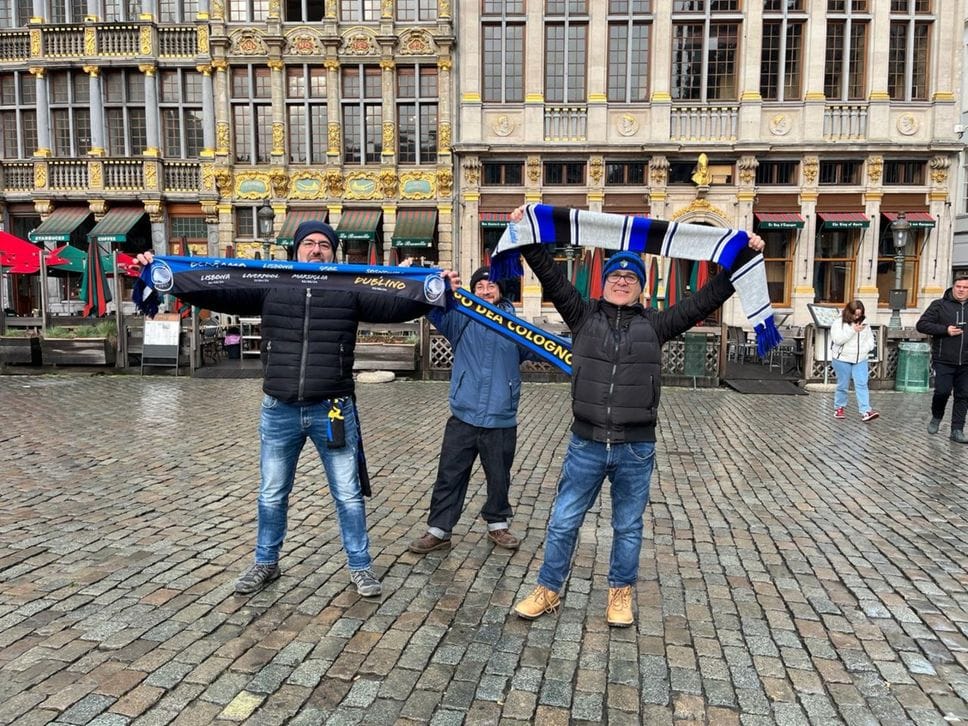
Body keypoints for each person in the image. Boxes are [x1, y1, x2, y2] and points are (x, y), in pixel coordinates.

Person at [137, 220, 460, 597]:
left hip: (332, 407)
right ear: (296, 249)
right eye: (309, 243)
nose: (316, 249)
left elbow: (393, 304)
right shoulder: (271, 282)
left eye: (324, 244)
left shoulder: (348, 286)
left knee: (348, 495)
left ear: (333, 252)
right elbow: (218, 290)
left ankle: (360, 567)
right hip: (280, 409)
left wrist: (433, 289)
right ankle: (266, 562)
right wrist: (166, 275)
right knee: (272, 493)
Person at [507, 207, 765, 627]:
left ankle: (620, 594)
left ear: (641, 289)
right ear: (603, 283)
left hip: (635, 448)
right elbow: (547, 271)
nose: (622, 281)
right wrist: (525, 227)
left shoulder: (657, 325)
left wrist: (744, 255)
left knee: (627, 527)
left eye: (631, 277)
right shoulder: (582, 315)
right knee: (563, 521)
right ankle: (548, 589)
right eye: (615, 276)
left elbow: (709, 296)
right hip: (586, 443)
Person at [409, 266, 539, 555]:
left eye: (491, 285)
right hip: (464, 414)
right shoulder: (460, 319)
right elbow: (430, 304)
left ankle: (498, 524)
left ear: (501, 291)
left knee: (499, 476)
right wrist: (428, 281)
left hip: (501, 416)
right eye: (479, 286)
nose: (485, 290)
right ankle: (439, 529)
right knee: (450, 474)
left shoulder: (517, 327)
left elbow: (546, 350)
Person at [916, 274, 968, 443]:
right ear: (953, 287)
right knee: (942, 391)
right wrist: (945, 330)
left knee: (963, 395)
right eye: (958, 286)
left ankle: (957, 430)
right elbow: (921, 325)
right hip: (944, 358)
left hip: (966, 361)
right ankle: (937, 416)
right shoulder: (939, 305)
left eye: (965, 287)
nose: (961, 290)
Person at [829, 300, 878, 422]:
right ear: (849, 312)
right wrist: (853, 330)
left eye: (859, 314)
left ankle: (866, 411)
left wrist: (867, 348)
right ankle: (839, 408)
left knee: (862, 384)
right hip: (842, 358)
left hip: (860, 358)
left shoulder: (865, 323)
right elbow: (837, 340)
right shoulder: (839, 322)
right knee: (843, 384)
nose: (857, 317)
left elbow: (870, 339)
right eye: (855, 314)